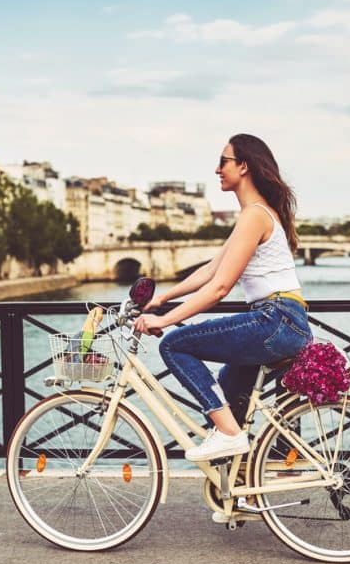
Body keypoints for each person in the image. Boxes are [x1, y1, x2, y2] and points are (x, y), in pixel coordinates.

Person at [133, 134, 312, 462]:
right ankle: (243, 478)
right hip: (283, 321)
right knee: (227, 393)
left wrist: (165, 320)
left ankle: (231, 437)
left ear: (243, 166)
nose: (217, 169)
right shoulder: (255, 214)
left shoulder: (254, 215)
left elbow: (219, 287)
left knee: (174, 345)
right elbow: (212, 270)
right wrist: (163, 298)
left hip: (274, 320)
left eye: (223, 161)